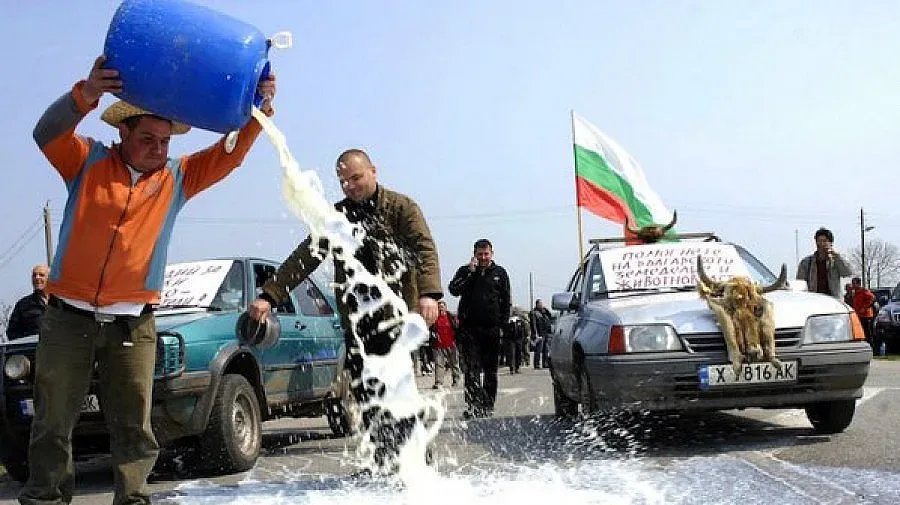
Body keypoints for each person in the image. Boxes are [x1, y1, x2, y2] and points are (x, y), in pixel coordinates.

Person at [21, 55, 276, 505]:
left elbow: (227, 157)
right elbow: (46, 134)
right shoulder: (85, 162)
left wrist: (257, 109)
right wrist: (87, 93)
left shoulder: (178, 178)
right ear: (123, 131)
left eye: (164, 141)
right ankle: (45, 498)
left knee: (134, 425)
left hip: (133, 323)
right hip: (67, 319)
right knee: (52, 420)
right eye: (147, 138)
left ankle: (134, 498)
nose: (158, 149)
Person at [248, 148, 442, 473]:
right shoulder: (336, 218)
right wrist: (270, 295)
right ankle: (382, 461)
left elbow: (424, 247)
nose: (350, 186)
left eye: (356, 177)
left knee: (397, 390)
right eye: (343, 182)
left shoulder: (401, 207)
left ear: (373, 171)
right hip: (357, 322)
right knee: (367, 393)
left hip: (396, 317)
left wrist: (429, 293)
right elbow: (306, 256)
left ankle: (416, 460)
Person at [448, 239, 511, 419]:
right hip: (469, 331)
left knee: (490, 371)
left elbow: (506, 301)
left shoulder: (500, 273)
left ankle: (487, 404)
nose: (483, 257)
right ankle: (474, 405)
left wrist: (503, 327)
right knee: (472, 371)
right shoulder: (465, 271)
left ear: (492, 254)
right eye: (480, 254)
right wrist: (470, 272)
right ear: (474, 254)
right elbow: (453, 290)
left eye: (486, 254)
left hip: (492, 330)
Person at [796, 227, 852, 299]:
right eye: (819, 241)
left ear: (830, 243)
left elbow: (847, 273)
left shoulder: (836, 260)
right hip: (814, 300)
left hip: (834, 300)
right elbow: (800, 283)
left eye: (824, 241)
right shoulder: (806, 262)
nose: (821, 244)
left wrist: (835, 255)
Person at [6, 265, 50, 341]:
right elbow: (12, 333)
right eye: (34, 275)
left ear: (50, 278)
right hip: (33, 350)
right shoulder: (22, 305)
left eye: (41, 275)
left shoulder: (61, 302)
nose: (37, 277)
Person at [431, 300, 462, 389]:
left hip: (451, 344)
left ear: (445, 307)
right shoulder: (434, 318)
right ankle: (438, 382)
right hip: (439, 345)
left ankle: (456, 380)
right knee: (439, 364)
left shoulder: (451, 317)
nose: (440, 308)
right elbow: (431, 330)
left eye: (442, 306)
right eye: (439, 307)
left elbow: (457, 327)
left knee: (454, 363)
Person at [850, 277, 876, 352]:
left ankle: (872, 348)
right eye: (853, 283)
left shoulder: (864, 291)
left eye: (854, 283)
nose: (853, 285)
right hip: (859, 315)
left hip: (866, 316)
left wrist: (864, 308)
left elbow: (872, 298)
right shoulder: (854, 292)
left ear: (858, 284)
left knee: (868, 332)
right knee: (861, 332)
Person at [504, 309, 529, 374]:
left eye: (516, 312)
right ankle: (511, 368)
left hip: (519, 339)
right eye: (514, 312)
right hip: (511, 339)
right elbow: (506, 330)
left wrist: (525, 336)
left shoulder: (520, 321)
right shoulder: (509, 320)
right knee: (512, 354)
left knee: (518, 353)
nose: (515, 313)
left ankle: (517, 367)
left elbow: (524, 329)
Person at [530, 299, 553, 369]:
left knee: (546, 349)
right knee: (538, 349)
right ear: (537, 304)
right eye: (540, 304)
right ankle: (536, 364)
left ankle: (545, 363)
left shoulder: (543, 312)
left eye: (542, 304)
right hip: (539, 333)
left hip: (546, 333)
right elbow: (533, 323)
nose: (541, 305)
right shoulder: (534, 312)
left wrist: (546, 310)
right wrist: (535, 333)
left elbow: (550, 317)